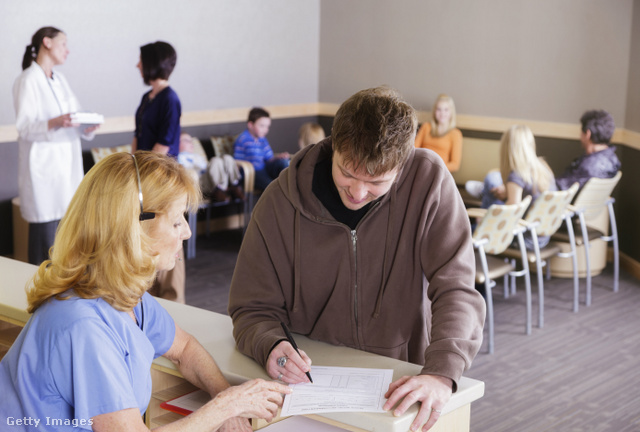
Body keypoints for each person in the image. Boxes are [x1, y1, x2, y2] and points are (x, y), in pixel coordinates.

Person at [228, 87, 485, 432]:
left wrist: (441, 372)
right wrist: (270, 344)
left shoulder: (428, 182)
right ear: (334, 146)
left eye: (376, 181)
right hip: (311, 388)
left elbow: (458, 289)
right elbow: (252, 307)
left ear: (402, 166)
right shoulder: (280, 201)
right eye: (347, 174)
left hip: (403, 381)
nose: (358, 192)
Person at [0, 152, 290, 432]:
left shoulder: (125, 297)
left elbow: (185, 349)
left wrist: (225, 399)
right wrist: (227, 406)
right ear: (133, 230)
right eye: (177, 221)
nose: (187, 232)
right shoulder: (85, 327)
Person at [13, 26, 99, 265]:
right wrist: (56, 121)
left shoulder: (60, 80)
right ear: (47, 43)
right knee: (45, 245)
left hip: (66, 169)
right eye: (63, 44)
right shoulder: (28, 80)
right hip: (45, 174)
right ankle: (39, 298)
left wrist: (86, 126)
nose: (68, 50)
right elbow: (25, 127)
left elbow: (74, 116)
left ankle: (61, 297)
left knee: (66, 241)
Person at [466, 125, 557, 249]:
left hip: (524, 238)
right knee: (492, 180)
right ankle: (484, 193)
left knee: (491, 180)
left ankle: (476, 224)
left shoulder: (517, 175)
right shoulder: (543, 167)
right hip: (542, 235)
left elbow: (510, 216)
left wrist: (485, 220)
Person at [132, 41, 181, 157]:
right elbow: (137, 134)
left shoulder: (170, 99)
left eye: (141, 61)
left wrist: (143, 171)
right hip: (143, 166)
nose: (137, 65)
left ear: (152, 63)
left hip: (159, 170)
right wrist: (132, 163)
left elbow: (163, 144)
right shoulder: (146, 97)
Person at [555, 110, 621, 191]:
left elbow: (561, 189)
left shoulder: (590, 167)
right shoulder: (613, 159)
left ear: (587, 134)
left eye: (581, 132)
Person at [233, 107, 290, 191]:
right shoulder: (242, 139)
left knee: (283, 163)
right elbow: (237, 163)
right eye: (262, 126)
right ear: (250, 125)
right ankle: (278, 190)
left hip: (263, 168)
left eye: (267, 127)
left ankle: (288, 187)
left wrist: (279, 157)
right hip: (252, 173)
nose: (265, 130)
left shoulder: (262, 139)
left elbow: (269, 158)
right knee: (272, 186)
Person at [414, 94, 463, 172]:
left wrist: (436, 169)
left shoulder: (455, 134)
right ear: (435, 111)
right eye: (439, 109)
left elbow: (455, 164)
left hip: (440, 172)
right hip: (420, 168)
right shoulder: (426, 127)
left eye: (446, 109)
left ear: (451, 112)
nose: (442, 113)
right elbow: (414, 150)